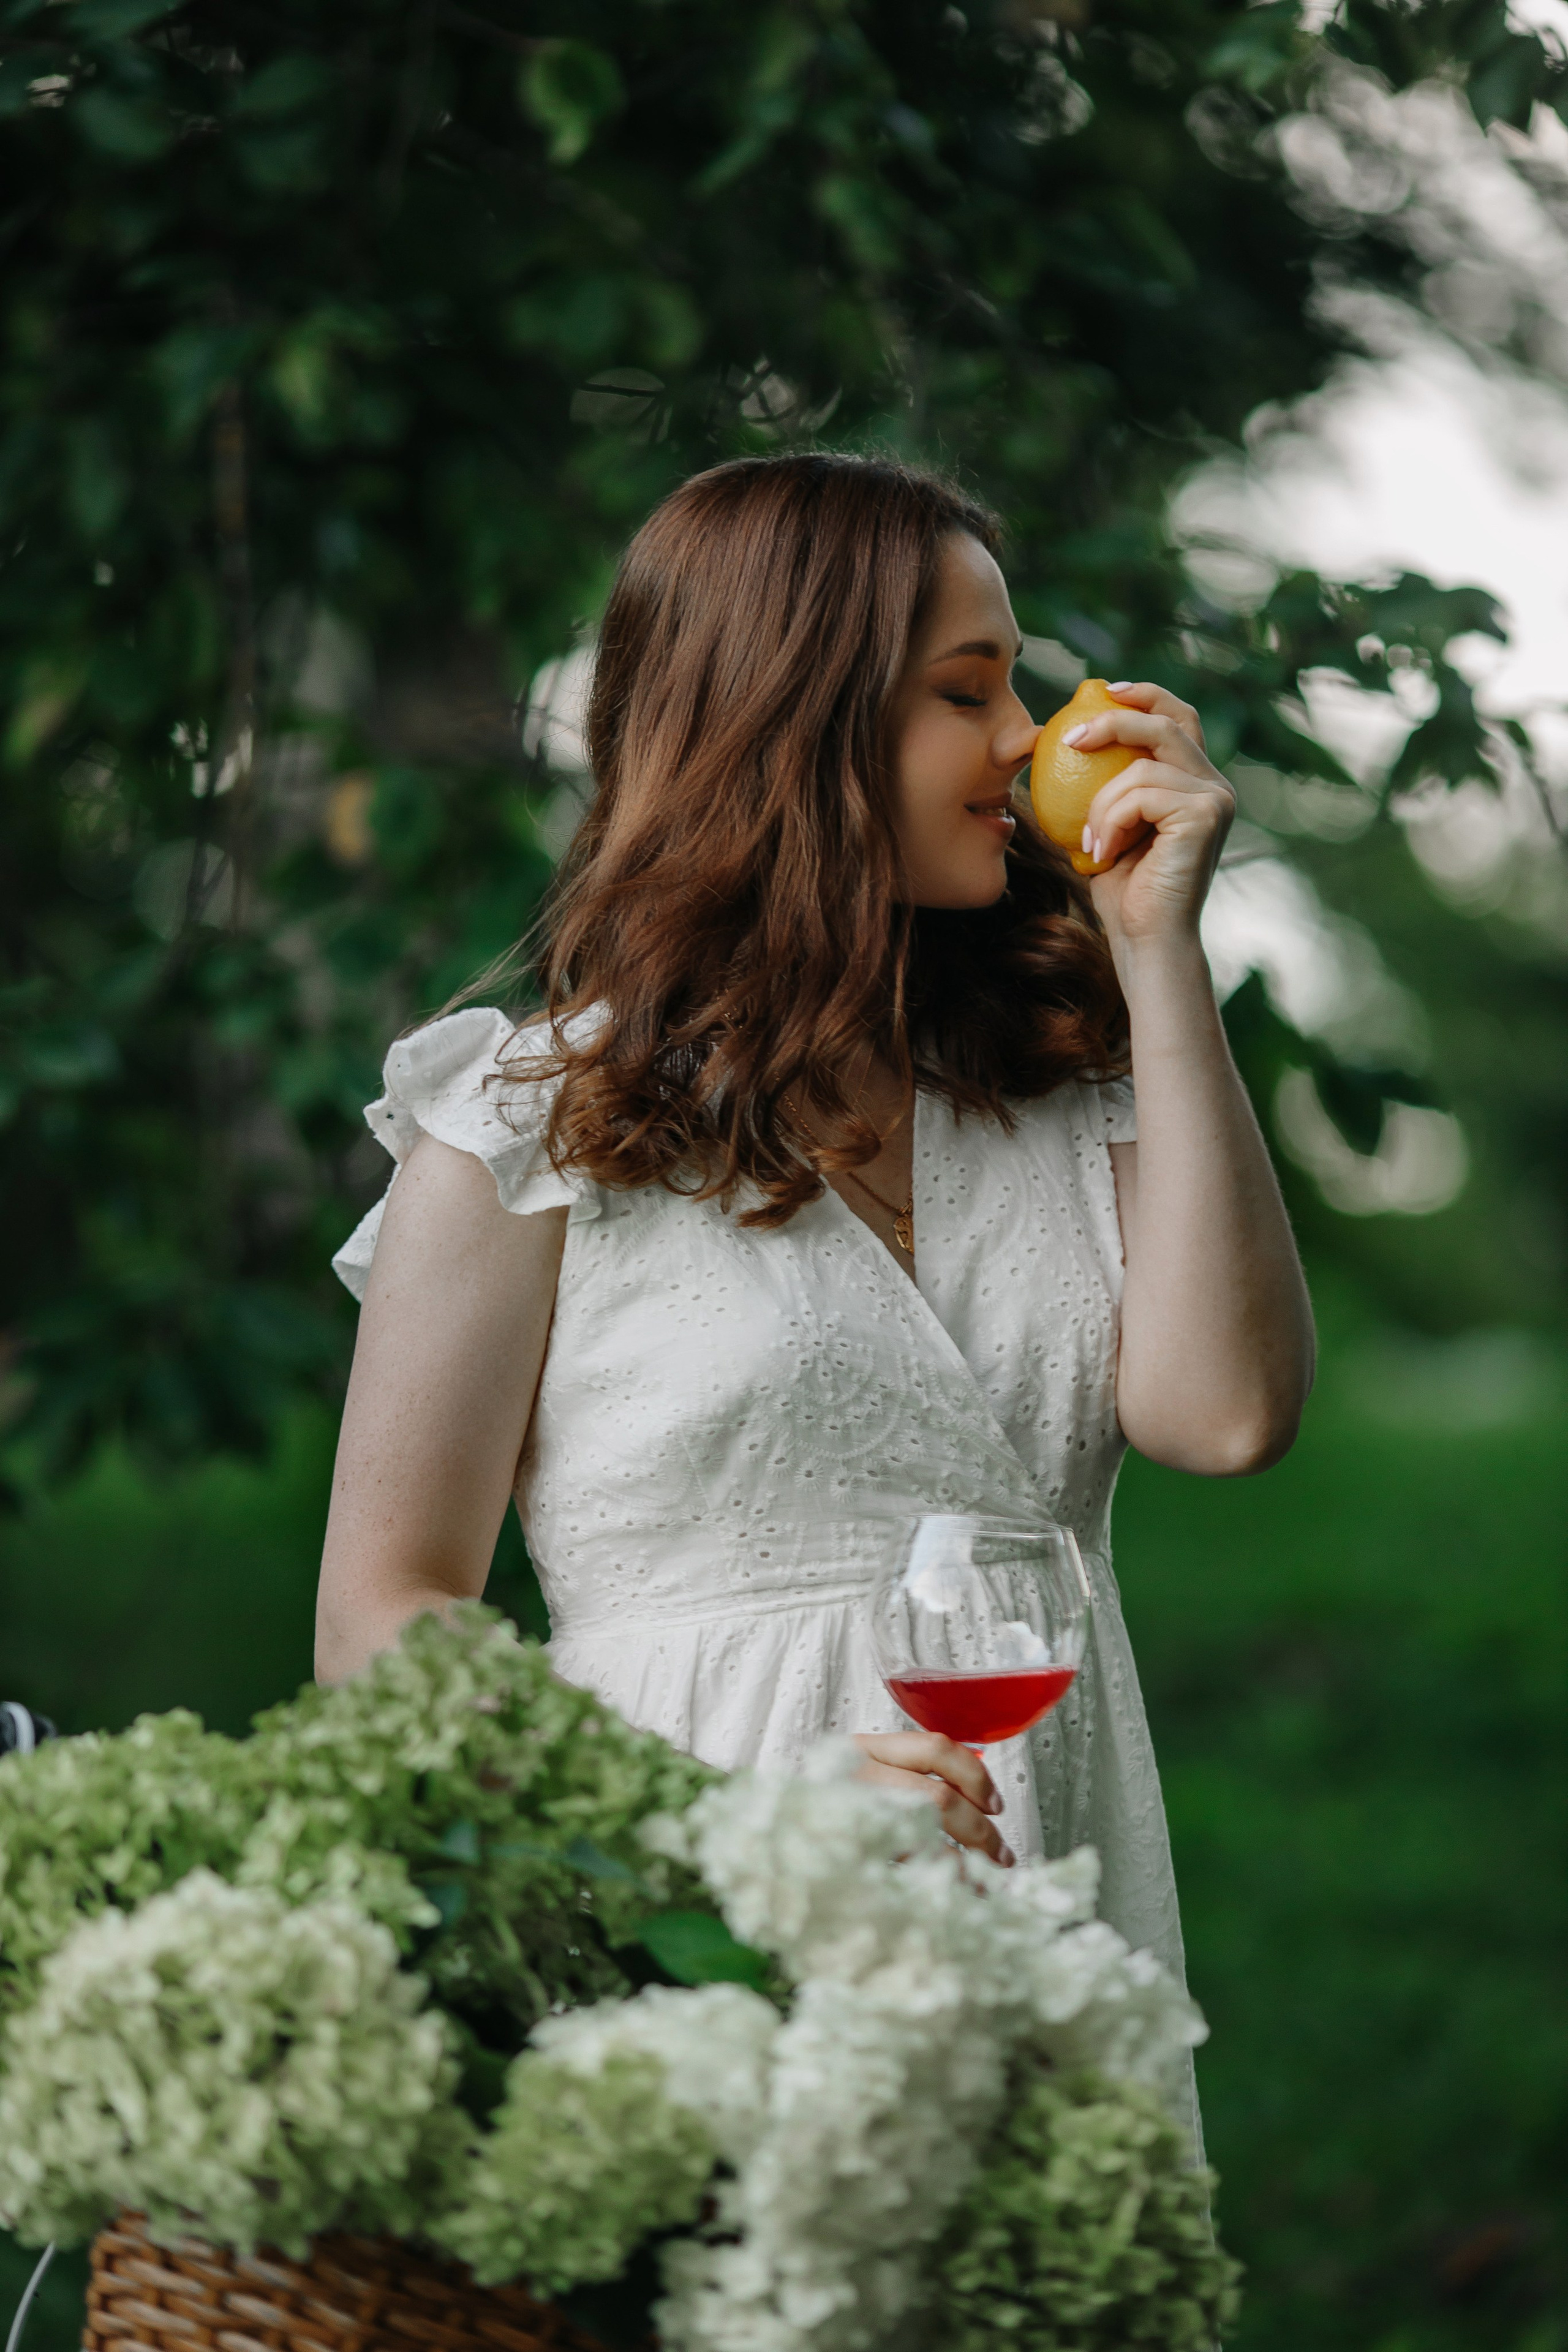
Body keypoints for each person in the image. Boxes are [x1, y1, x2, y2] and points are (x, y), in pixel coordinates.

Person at [318, 454, 1313, 2087]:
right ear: (800, 717)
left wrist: (1159, 954)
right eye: (966, 692)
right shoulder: (523, 1128)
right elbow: (380, 1611)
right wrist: (735, 1842)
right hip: (682, 1933)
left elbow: (1224, 1416)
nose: (1023, 743)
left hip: (1040, 1899)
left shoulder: (1066, 1086)